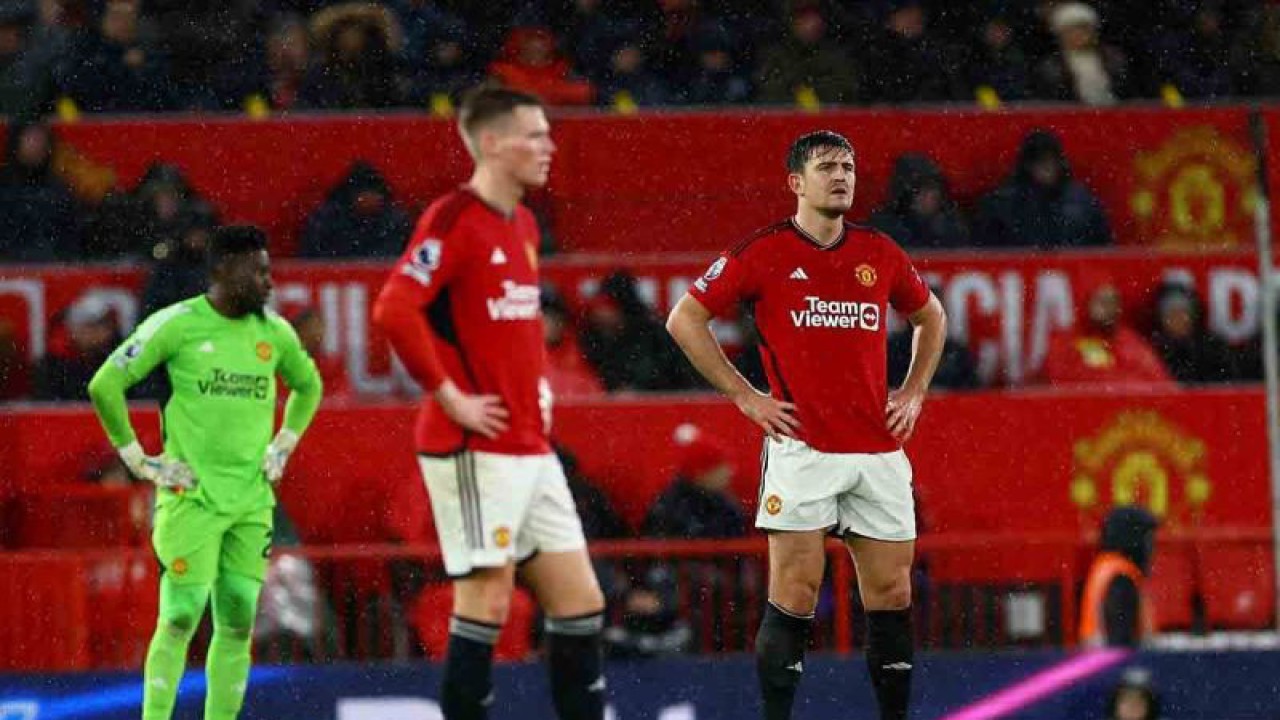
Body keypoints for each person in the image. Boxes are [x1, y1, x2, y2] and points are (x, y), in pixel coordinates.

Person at [666, 130, 947, 720]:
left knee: (892, 596)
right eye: (827, 167)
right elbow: (685, 319)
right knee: (794, 593)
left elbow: (931, 315)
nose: (841, 175)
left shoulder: (879, 252)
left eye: (848, 165)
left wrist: (914, 390)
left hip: (877, 450)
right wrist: (744, 395)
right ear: (796, 182)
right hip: (803, 449)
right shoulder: (762, 252)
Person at [372, 86, 606, 720]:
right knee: (486, 602)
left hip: (530, 443)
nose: (548, 146)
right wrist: (451, 396)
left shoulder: (525, 223)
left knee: (580, 602)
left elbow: (508, 323)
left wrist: (536, 387)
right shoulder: (454, 218)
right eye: (535, 135)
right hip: (474, 446)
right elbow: (395, 307)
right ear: (494, 142)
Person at [86, 226, 323, 720]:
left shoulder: (274, 333)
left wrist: (285, 442)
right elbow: (105, 383)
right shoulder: (177, 324)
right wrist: (136, 459)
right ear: (221, 271)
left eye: (269, 270)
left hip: (251, 502)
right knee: (179, 616)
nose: (268, 282)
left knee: (237, 622)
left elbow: (309, 385)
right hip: (190, 497)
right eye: (257, 271)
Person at [974, 130, 1112, 249]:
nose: (1046, 168)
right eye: (1039, 162)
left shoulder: (1082, 202)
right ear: (1027, 165)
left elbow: (1103, 249)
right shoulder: (1002, 204)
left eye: (1050, 161)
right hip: (1020, 275)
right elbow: (988, 252)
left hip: (1076, 274)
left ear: (1059, 163)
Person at [1038, 277, 1172, 387]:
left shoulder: (1129, 341)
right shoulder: (1065, 341)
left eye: (1113, 301)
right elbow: (1064, 377)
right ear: (1087, 301)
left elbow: (1158, 381)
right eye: (1101, 301)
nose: (1108, 307)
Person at [642, 423, 745, 540]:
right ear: (701, 473)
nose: (728, 473)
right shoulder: (672, 508)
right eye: (718, 468)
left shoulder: (721, 502)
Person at [1078, 506, 1159, 648]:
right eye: (1148, 539)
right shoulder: (1121, 578)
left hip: (1098, 662)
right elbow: (1121, 640)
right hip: (1114, 665)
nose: (1152, 547)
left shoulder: (1105, 568)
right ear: (1133, 539)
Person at [33, 294, 121, 401]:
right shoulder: (53, 363)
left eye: (103, 326)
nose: (97, 333)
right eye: (90, 326)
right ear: (73, 329)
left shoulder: (118, 356)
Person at [1149, 280, 1238, 384]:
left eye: (1182, 311)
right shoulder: (1151, 352)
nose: (1177, 318)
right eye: (1171, 312)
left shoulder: (1213, 348)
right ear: (1160, 317)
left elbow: (1228, 385)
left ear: (1193, 314)